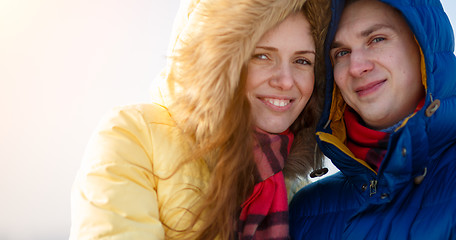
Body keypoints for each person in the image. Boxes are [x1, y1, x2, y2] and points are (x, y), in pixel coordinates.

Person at [70, 0, 330, 239]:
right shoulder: (132, 138)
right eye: (262, 55)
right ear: (218, 62)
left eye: (302, 60)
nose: (285, 80)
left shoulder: (291, 186)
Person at [289, 0, 456, 239]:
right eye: (342, 53)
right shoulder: (305, 213)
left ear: (422, 45)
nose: (356, 67)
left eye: (376, 39)